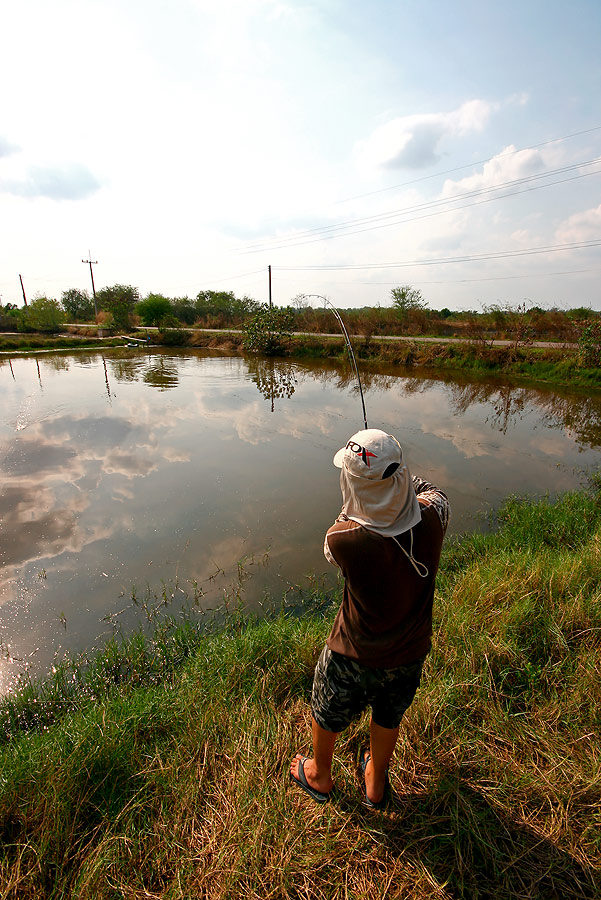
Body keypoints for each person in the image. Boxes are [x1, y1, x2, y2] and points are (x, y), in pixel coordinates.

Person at [290, 428, 450, 807]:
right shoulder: (436, 515)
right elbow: (427, 488)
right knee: (389, 713)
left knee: (327, 707)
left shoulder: (342, 540)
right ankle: (376, 782)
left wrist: (363, 490)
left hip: (353, 652)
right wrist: (389, 471)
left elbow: (346, 519)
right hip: (410, 650)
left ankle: (319, 775)